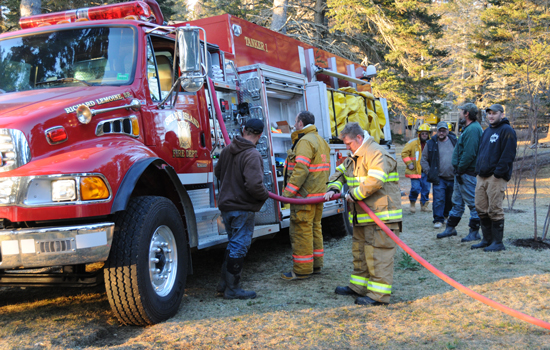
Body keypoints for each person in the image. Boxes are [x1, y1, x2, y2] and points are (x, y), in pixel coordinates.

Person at [324, 122, 402, 306]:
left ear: (359, 138)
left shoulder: (376, 153)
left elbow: (376, 180)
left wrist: (354, 194)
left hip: (381, 217)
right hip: (362, 217)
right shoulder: (355, 155)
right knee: (360, 252)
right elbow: (339, 173)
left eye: (349, 143)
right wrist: (334, 187)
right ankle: (359, 287)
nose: (347, 147)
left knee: (378, 255)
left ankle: (378, 296)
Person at [214, 118, 269, 299]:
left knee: (233, 244)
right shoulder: (252, 155)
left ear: (243, 129)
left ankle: (224, 284)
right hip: (242, 208)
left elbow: (218, 173)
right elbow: (254, 185)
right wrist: (264, 195)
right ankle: (233, 289)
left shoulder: (227, 150)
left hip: (227, 207)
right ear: (260, 135)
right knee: (239, 246)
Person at [281, 111, 331, 280]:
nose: (294, 125)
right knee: (315, 228)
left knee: (301, 230)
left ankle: (302, 270)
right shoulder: (321, 140)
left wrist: (288, 193)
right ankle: (316, 265)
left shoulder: (304, 141)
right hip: (318, 194)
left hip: (304, 196)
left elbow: (300, 169)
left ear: (301, 123)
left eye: (295, 122)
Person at [473, 104, 517, 252]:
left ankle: (498, 243)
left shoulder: (507, 131)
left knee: (495, 209)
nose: (491, 116)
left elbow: (508, 155)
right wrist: (477, 170)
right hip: (481, 176)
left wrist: (498, 173)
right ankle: (486, 240)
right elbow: (481, 153)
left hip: (496, 177)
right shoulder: (486, 132)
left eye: (494, 113)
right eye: (489, 114)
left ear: (502, 114)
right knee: (481, 208)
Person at [437, 103, 483, 241]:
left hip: (467, 173)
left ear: (467, 113)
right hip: (461, 173)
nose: (460, 114)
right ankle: (450, 229)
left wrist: (461, 169)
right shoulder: (468, 128)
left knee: (473, 204)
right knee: (457, 202)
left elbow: (470, 153)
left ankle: (474, 232)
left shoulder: (474, 129)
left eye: (461, 111)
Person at [421, 121, 457, 229]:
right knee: (438, 199)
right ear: (437, 131)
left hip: (452, 176)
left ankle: (446, 216)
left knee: (450, 199)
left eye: (444, 130)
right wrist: (429, 172)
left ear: (447, 131)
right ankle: (438, 220)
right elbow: (423, 160)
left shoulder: (454, 141)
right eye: (439, 130)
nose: (441, 132)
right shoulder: (431, 143)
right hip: (439, 177)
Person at [402, 123, 432, 214]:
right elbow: (404, 153)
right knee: (415, 188)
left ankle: (424, 206)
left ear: (428, 134)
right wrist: (409, 163)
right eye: (422, 133)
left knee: (426, 189)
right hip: (415, 171)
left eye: (426, 133)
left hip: (426, 171)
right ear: (419, 134)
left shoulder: (431, 143)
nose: (424, 135)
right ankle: (412, 203)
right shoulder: (412, 143)